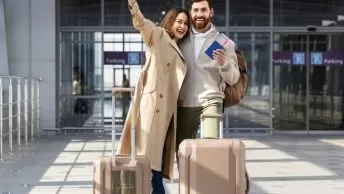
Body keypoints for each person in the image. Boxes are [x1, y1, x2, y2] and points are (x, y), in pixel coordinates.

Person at [116, 0, 191, 193]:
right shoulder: (158, 35)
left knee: (154, 164)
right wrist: (134, 6)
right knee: (150, 165)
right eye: (179, 22)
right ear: (171, 21)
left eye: (186, 24)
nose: (182, 26)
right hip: (153, 109)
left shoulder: (178, 46)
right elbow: (142, 23)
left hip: (166, 113)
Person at [176, 0, 240, 157]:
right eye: (195, 10)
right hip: (184, 102)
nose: (199, 14)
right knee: (182, 152)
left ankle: (208, 181)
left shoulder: (224, 42)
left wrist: (223, 64)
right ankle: (188, 181)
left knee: (210, 148)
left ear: (211, 12)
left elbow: (233, 78)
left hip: (211, 100)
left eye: (203, 10)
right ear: (191, 13)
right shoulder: (181, 38)